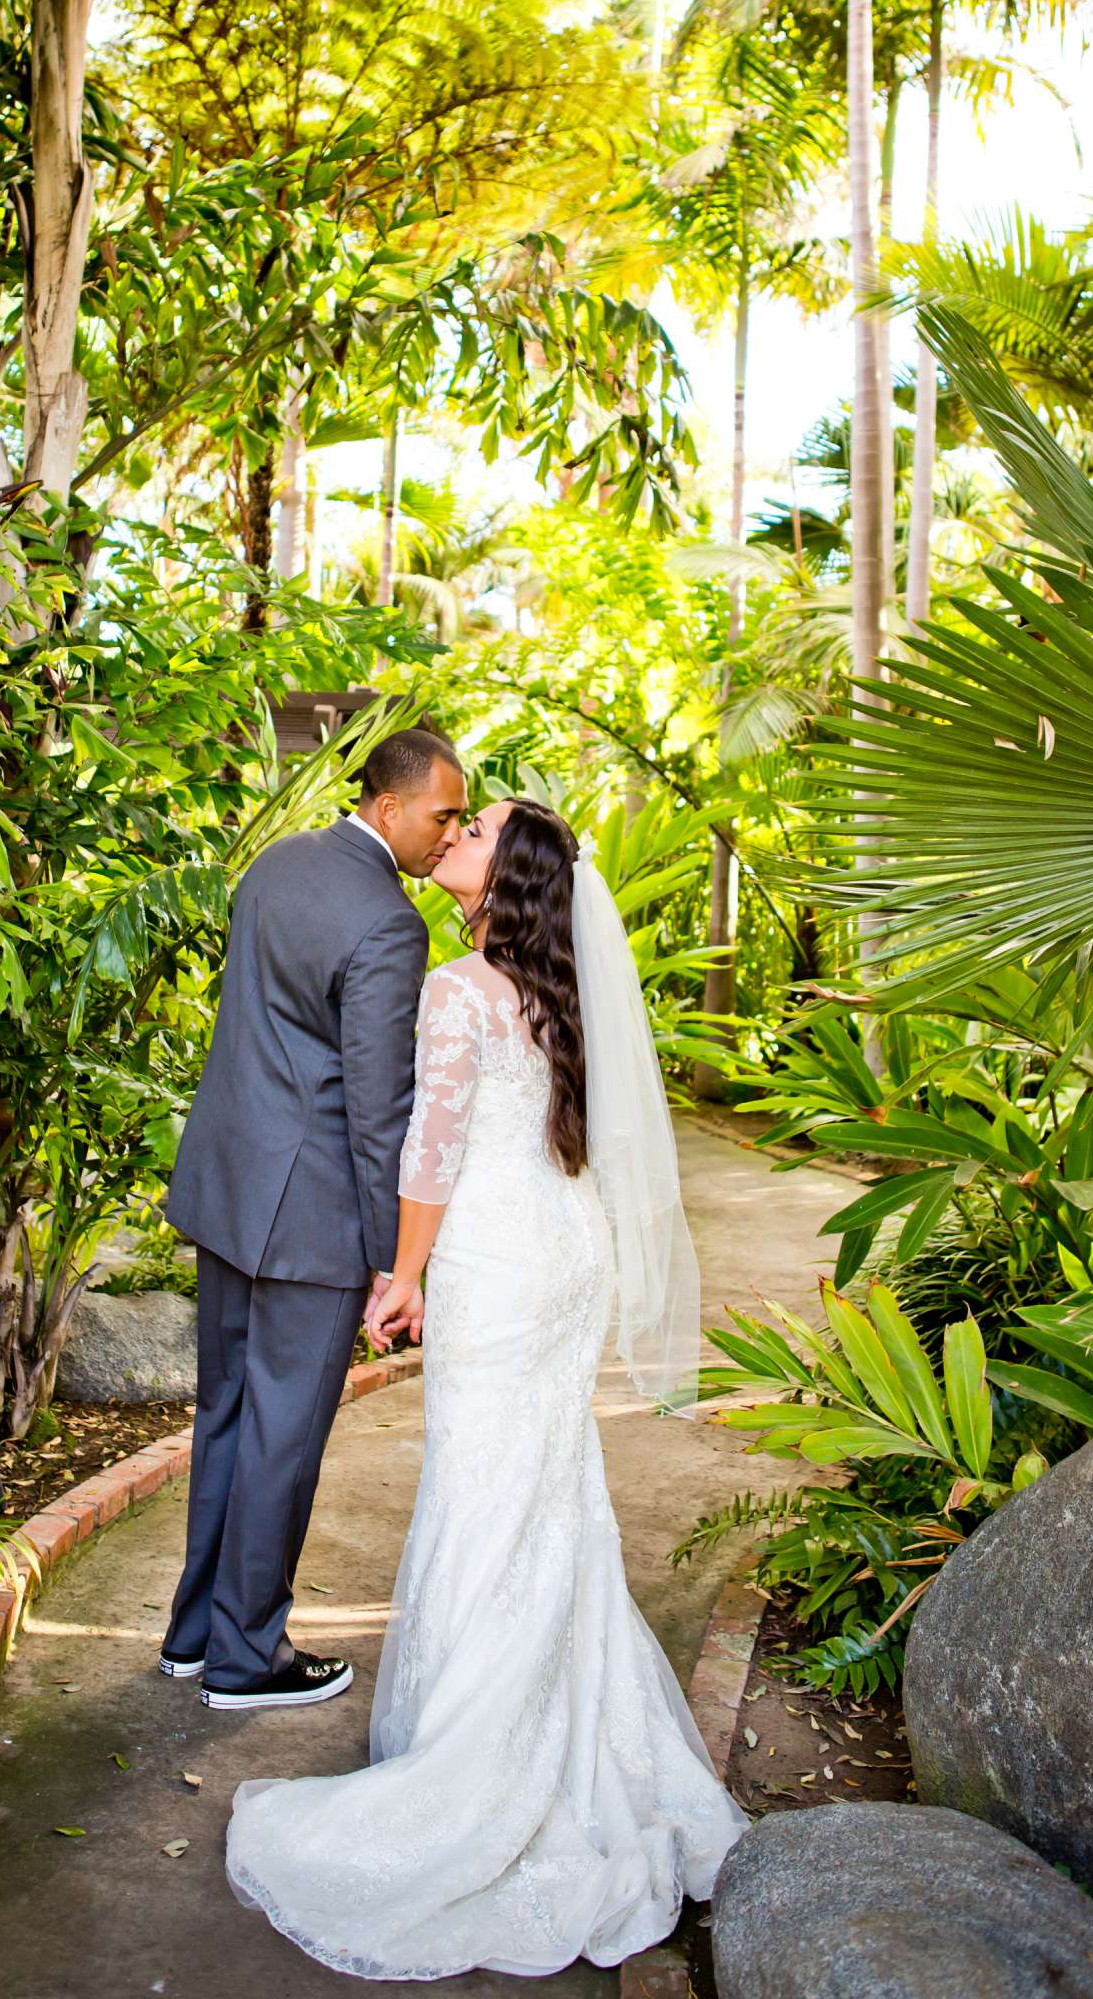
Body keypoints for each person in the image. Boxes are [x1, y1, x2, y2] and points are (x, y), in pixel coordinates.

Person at [223, 796, 750, 1975]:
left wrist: (399, 1275)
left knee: (485, 1488)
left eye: (473, 832)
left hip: (499, 1260)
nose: (451, 836)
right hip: (566, 1248)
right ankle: (573, 1739)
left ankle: (482, 1767)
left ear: (498, 876)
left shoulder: (462, 991)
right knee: (548, 1489)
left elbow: (432, 1149)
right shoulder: (561, 988)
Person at [160, 726, 466, 1710]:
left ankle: (194, 1636)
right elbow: (379, 1108)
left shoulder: (276, 863)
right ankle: (248, 1662)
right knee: (282, 1436)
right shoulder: (387, 920)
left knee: (227, 1418)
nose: (446, 832)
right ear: (389, 806)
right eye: (442, 814)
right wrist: (392, 1259)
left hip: (230, 1187)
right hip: (312, 1217)